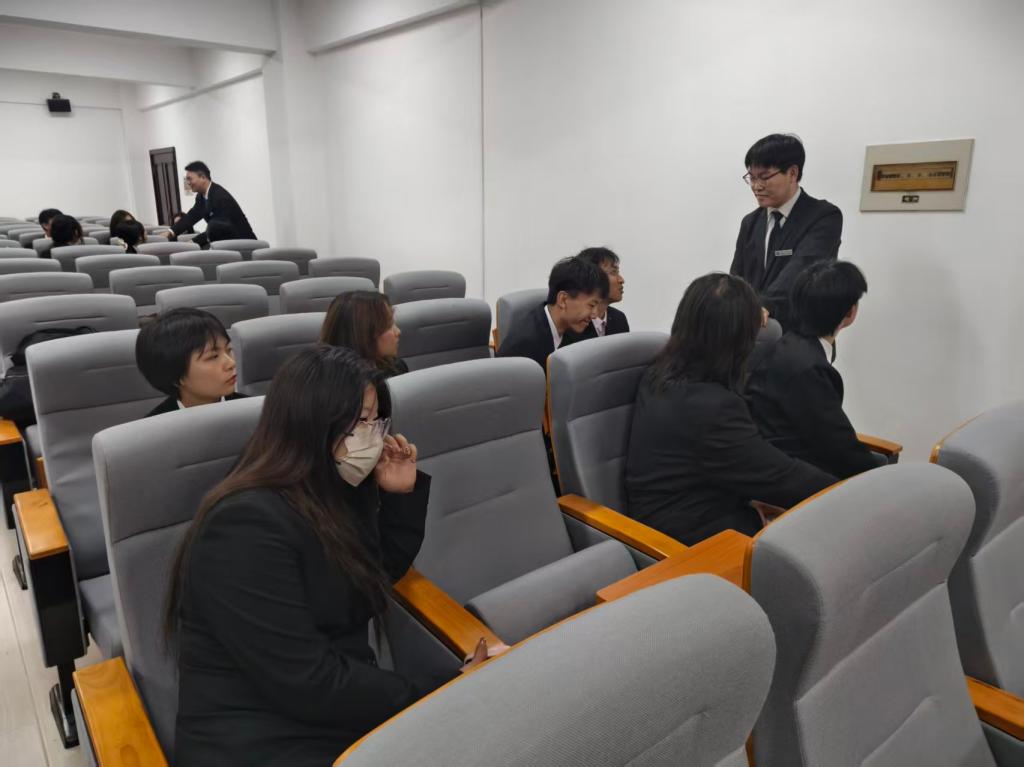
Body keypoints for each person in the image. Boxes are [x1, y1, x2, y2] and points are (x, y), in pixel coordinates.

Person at [167, 345, 486, 765]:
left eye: (376, 420)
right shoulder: (243, 526)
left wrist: (399, 495)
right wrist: (440, 693)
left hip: (329, 706)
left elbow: (371, 578)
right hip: (260, 735)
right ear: (311, 423)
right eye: (359, 422)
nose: (372, 435)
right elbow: (307, 681)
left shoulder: (334, 488)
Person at [624, 273, 835, 545]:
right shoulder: (712, 407)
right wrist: (848, 490)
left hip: (673, 508)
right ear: (738, 339)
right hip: (689, 540)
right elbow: (781, 476)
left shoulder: (660, 371)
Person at [746, 261, 879, 479]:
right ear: (850, 312)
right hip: (792, 475)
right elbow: (840, 448)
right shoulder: (809, 369)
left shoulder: (788, 346)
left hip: (776, 461)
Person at [730, 133, 842, 328]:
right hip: (753, 332)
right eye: (752, 178)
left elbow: (803, 267)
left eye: (764, 177)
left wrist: (765, 304)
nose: (756, 186)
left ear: (792, 173)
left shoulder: (824, 216)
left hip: (801, 333)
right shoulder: (750, 222)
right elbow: (737, 277)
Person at [497, 255, 608, 370]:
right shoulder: (523, 345)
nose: (594, 315)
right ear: (563, 300)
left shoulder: (579, 329)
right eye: (591, 305)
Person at [135, 308, 246, 417]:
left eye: (229, 350)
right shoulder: (154, 426)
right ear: (176, 377)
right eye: (213, 356)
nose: (231, 363)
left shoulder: (252, 411)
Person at [168, 161, 256, 247]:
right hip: (226, 243)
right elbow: (192, 216)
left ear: (203, 177)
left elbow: (218, 228)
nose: (188, 183)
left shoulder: (220, 197)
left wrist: (192, 242)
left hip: (244, 245)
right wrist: (171, 232)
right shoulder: (201, 196)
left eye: (190, 179)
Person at [320, 291, 407, 377]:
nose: (398, 331)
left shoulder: (395, 368)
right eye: (388, 325)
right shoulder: (326, 381)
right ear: (363, 335)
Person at [562, 246, 629, 344]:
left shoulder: (619, 319)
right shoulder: (572, 322)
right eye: (613, 272)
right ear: (591, 276)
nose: (621, 280)